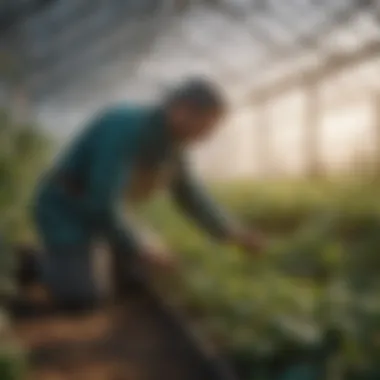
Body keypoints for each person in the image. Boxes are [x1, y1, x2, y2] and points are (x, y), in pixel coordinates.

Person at [31, 77, 265, 313]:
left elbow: (191, 195)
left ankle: (81, 259)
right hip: (68, 210)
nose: (207, 136)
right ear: (182, 111)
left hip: (106, 214)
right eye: (206, 125)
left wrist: (232, 232)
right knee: (82, 299)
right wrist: (142, 246)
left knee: (135, 280)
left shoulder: (173, 145)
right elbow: (102, 201)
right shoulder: (123, 126)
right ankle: (39, 262)